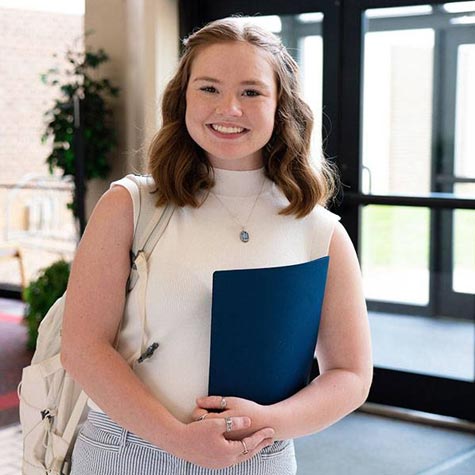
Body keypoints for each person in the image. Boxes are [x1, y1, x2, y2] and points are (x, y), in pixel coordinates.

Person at [61, 17, 373, 475]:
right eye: (208, 88)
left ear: (280, 104)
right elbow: (83, 347)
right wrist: (178, 440)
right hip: (126, 452)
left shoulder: (319, 230)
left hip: (259, 454)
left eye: (251, 92)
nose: (229, 108)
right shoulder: (130, 205)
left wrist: (269, 422)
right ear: (183, 97)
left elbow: (351, 375)